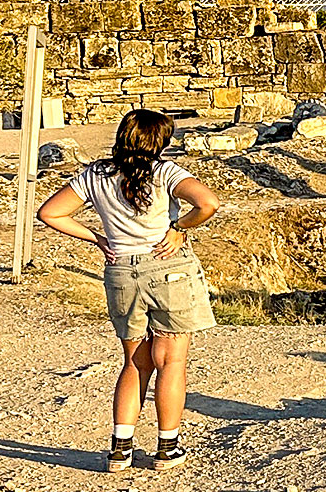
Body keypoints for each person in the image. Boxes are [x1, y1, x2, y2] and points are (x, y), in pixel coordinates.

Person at [34, 109, 225, 474]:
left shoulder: (95, 174)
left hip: (121, 271)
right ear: (160, 142)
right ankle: (167, 448)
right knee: (171, 362)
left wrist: (99, 239)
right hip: (168, 269)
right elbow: (208, 203)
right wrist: (178, 227)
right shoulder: (165, 171)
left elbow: (50, 213)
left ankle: (120, 449)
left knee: (135, 361)